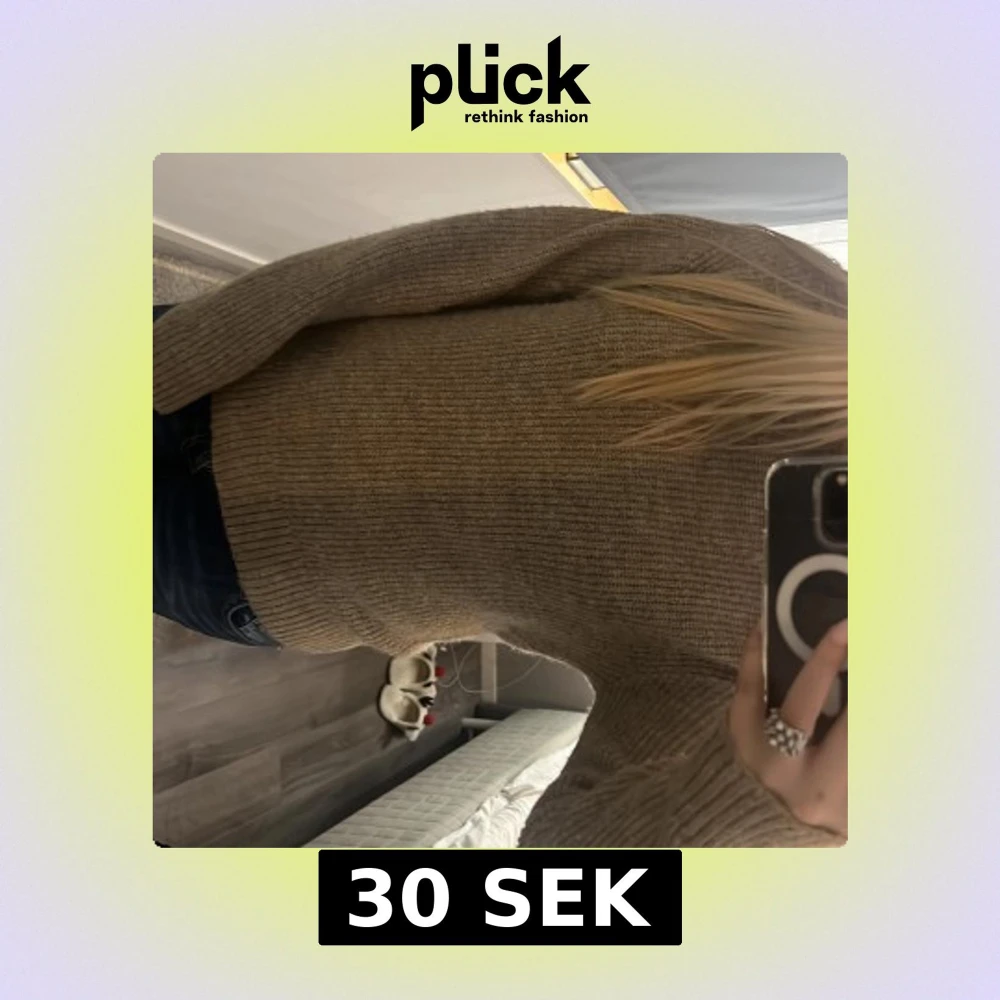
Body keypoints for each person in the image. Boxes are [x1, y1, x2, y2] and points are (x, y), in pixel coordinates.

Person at [153, 205, 847, 847]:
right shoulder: (813, 304)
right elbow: (458, 258)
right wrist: (171, 357)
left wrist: (760, 810)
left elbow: (562, 856)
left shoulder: (804, 678)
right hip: (225, 376)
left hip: (237, 568)